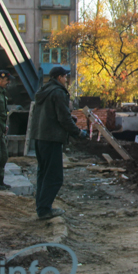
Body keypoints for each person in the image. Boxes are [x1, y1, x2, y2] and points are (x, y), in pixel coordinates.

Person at [30, 66, 87, 220]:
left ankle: (41, 207)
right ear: (59, 77)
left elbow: (51, 115)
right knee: (54, 177)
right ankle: (45, 210)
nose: (67, 80)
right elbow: (62, 118)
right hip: (52, 139)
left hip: (40, 138)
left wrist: (69, 119)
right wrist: (78, 132)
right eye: (65, 77)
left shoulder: (44, 91)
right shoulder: (58, 92)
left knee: (43, 174)